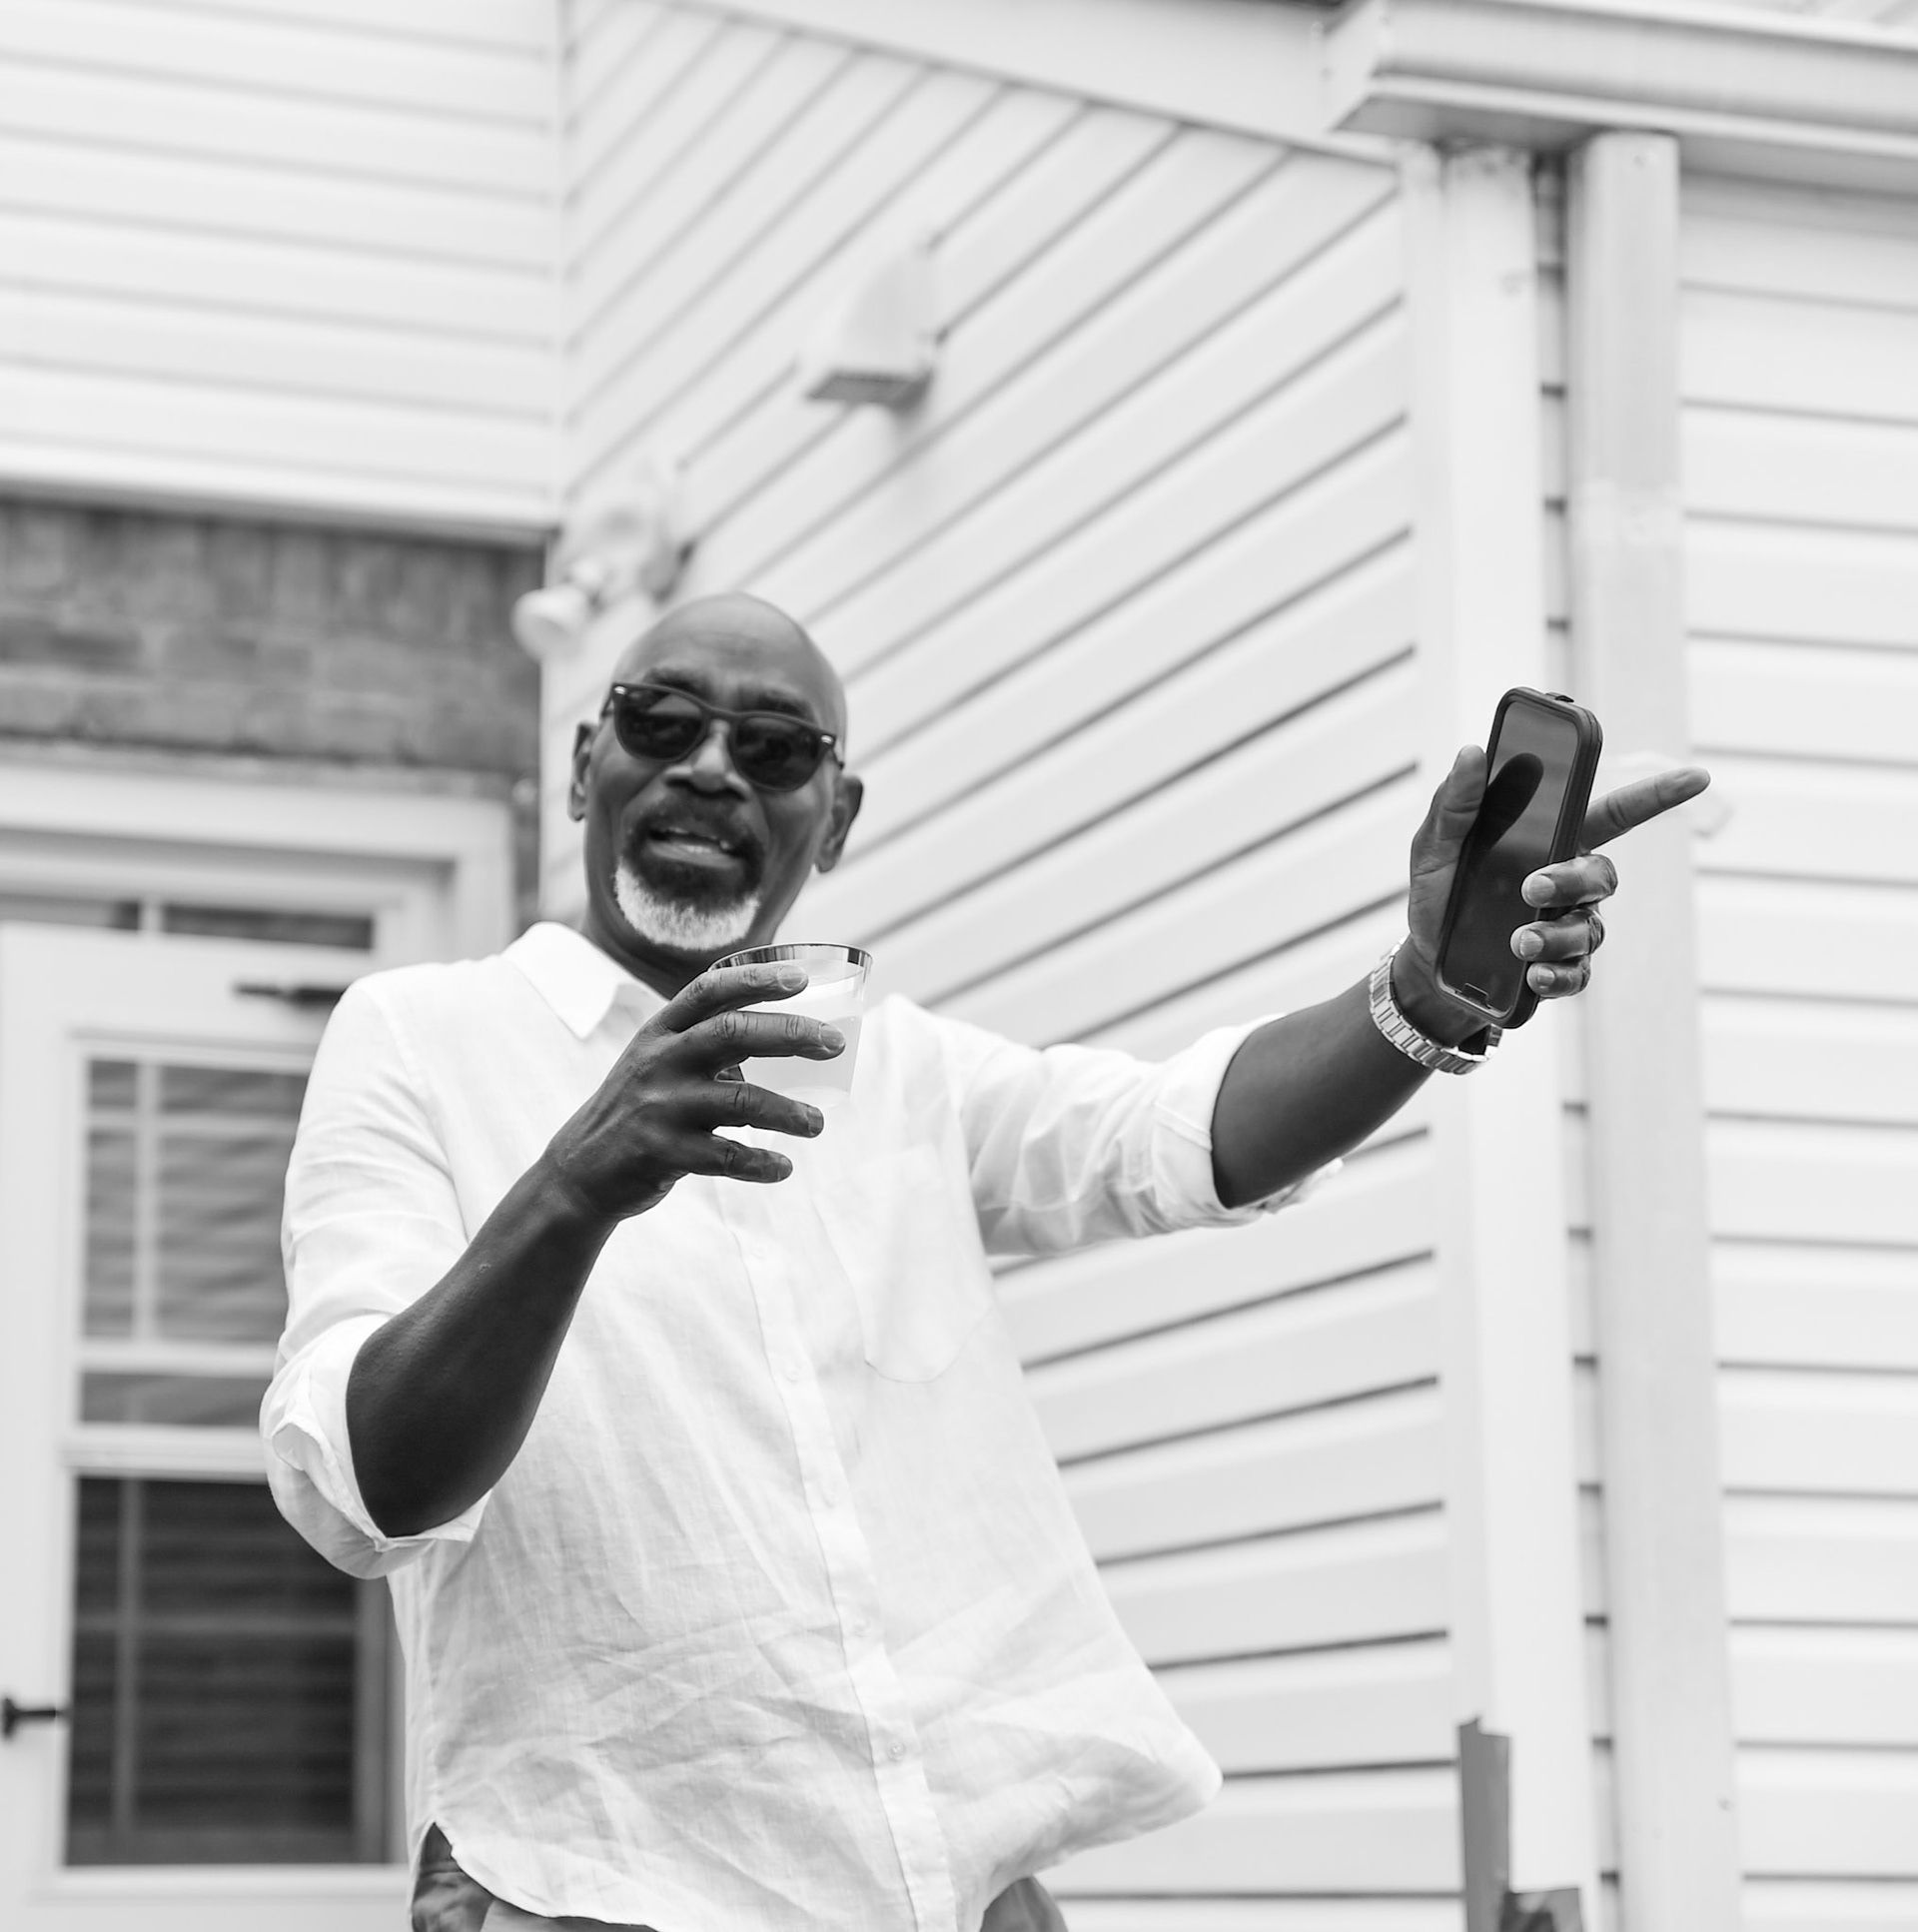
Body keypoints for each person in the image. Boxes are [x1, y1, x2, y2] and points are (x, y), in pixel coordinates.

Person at [263, 593, 1706, 1932]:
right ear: (586, 764)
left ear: (835, 819)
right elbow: (367, 1480)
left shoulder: (898, 1070)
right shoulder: (419, 1036)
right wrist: (578, 1186)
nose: (710, 767)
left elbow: (1172, 1138)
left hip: (956, 1885)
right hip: (595, 1892)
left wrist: (1427, 990)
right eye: (662, 721)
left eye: (775, 748)